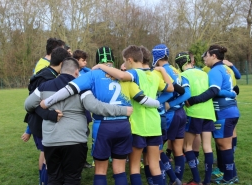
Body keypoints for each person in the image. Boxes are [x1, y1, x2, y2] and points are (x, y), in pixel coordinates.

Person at [40, 46, 161, 185]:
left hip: (103, 125)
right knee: (120, 169)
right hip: (123, 126)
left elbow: (69, 89)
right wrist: (159, 103)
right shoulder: (124, 75)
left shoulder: (92, 75)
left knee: (100, 170)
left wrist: (47, 102)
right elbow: (142, 98)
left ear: (97, 60)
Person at [25, 57, 134, 185]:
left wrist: (46, 113)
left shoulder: (44, 87)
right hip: (75, 140)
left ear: (61, 70)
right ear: (77, 72)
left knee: (54, 178)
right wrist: (122, 110)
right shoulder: (82, 87)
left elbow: (28, 105)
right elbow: (95, 106)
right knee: (72, 178)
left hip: (51, 140)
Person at [89, 45, 173, 185]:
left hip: (137, 125)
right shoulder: (154, 75)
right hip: (154, 124)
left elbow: (121, 75)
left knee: (134, 167)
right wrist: (162, 74)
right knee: (154, 164)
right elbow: (170, 89)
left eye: (124, 61)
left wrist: (101, 66)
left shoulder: (134, 74)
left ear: (129, 60)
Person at [187, 45, 240, 184]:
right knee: (225, 145)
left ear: (214, 56)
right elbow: (232, 88)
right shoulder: (226, 68)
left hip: (224, 111)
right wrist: (231, 93)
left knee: (223, 145)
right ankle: (231, 175)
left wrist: (194, 100)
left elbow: (214, 91)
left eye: (207, 55)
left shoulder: (215, 70)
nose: (205, 58)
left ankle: (229, 177)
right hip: (232, 109)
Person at [23, 47, 70, 185]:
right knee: (48, 159)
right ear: (62, 63)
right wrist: (49, 115)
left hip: (43, 124)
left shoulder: (50, 74)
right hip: (40, 124)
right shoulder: (45, 78)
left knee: (46, 157)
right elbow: (32, 104)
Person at [139, 46, 182, 185]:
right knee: (157, 153)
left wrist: (156, 102)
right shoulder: (171, 70)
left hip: (151, 118)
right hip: (161, 116)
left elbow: (176, 91)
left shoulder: (152, 73)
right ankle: (173, 178)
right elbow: (179, 90)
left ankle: (170, 179)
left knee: (153, 156)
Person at [174, 52, 216, 185]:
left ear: (179, 65)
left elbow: (183, 95)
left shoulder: (183, 75)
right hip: (209, 113)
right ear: (190, 62)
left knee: (187, 147)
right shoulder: (204, 73)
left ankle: (196, 180)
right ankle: (207, 181)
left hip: (193, 113)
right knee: (208, 147)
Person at [152, 44, 191, 184]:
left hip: (170, 114)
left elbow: (172, 90)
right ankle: (177, 180)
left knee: (156, 150)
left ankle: (171, 179)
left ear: (156, 56)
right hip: (181, 113)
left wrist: (161, 102)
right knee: (178, 150)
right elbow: (187, 93)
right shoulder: (175, 70)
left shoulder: (162, 70)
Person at [72, 49, 93, 168]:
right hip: (74, 108)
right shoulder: (71, 73)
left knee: (84, 135)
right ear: (76, 61)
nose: (85, 63)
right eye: (83, 60)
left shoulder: (86, 72)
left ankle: (83, 161)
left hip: (84, 108)